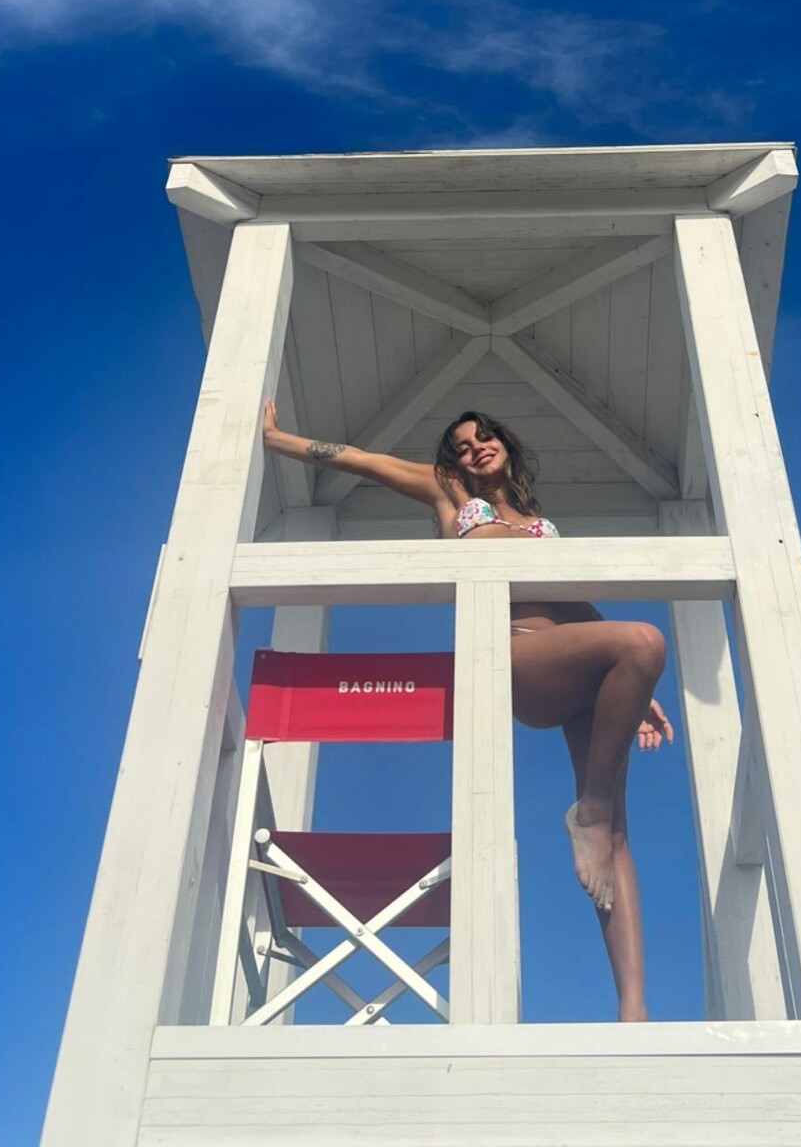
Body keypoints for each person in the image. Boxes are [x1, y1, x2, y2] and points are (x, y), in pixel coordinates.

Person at [262, 399, 674, 1022]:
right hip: (518, 654)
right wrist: (276, 440)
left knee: (618, 832)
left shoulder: (535, 521)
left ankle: (634, 1012)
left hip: (579, 661)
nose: (475, 448)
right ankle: (586, 813)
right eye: (461, 445)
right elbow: (362, 460)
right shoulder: (450, 492)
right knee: (644, 641)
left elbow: (578, 607)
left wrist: (638, 689)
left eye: (484, 436)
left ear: (504, 442)